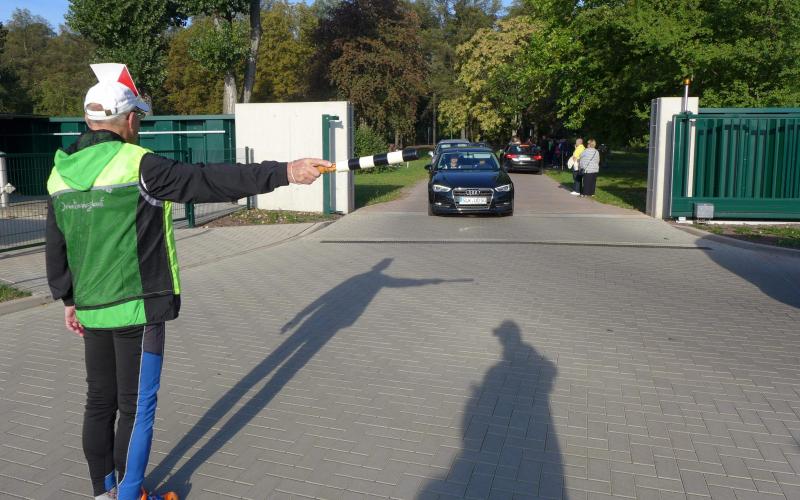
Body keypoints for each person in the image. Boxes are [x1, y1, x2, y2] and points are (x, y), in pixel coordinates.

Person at [45, 66, 329, 500]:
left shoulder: (59, 174)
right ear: (129, 120)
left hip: (90, 306)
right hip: (138, 307)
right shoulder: (139, 164)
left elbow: (57, 244)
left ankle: (105, 493)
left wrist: (68, 298)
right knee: (136, 407)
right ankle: (129, 495)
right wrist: (285, 171)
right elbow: (208, 180)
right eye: (139, 118)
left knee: (99, 402)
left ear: (88, 120)